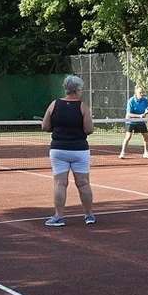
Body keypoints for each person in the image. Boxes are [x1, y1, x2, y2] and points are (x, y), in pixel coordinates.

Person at [40, 75, 96, 228]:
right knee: (84, 184)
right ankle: (89, 215)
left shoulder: (54, 104)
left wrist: (57, 127)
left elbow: (45, 126)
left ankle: (58, 216)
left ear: (66, 88)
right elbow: (89, 129)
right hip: (79, 150)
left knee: (60, 183)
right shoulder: (83, 107)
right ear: (77, 90)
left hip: (58, 150)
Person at [119, 85, 148, 159]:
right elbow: (128, 114)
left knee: (146, 136)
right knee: (128, 137)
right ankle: (122, 153)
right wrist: (139, 116)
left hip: (141, 121)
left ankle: (146, 153)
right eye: (140, 92)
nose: (142, 94)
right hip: (130, 121)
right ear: (136, 92)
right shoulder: (131, 101)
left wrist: (147, 112)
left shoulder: (145, 100)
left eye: (143, 92)